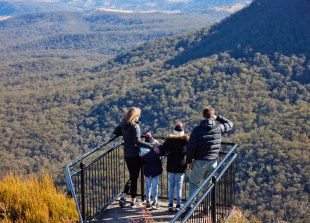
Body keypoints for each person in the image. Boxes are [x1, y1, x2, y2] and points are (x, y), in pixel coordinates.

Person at [185, 106, 233, 213]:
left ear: (203, 116)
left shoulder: (197, 130)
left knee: (194, 183)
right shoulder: (218, 128)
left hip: (200, 161)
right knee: (209, 185)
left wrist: (189, 161)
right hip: (213, 161)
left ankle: (190, 207)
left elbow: (191, 147)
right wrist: (218, 118)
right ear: (212, 116)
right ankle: (207, 208)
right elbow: (230, 124)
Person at [113, 107, 160, 208]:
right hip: (135, 155)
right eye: (138, 115)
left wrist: (125, 134)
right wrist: (152, 146)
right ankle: (133, 199)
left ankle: (124, 196)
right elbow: (137, 142)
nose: (139, 117)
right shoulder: (135, 126)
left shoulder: (124, 123)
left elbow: (115, 132)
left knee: (132, 176)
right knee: (134, 177)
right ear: (135, 115)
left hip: (127, 154)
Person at [160, 122, 189, 212]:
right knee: (179, 186)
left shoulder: (169, 141)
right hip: (181, 166)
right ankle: (178, 205)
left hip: (171, 165)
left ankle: (170, 204)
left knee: (171, 186)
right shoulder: (185, 141)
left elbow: (162, 149)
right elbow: (190, 151)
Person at [139, 132, 165, 210]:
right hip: (155, 170)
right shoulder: (156, 148)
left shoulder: (141, 149)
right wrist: (158, 144)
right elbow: (163, 151)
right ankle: (155, 202)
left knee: (148, 186)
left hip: (147, 170)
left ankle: (147, 201)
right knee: (155, 187)